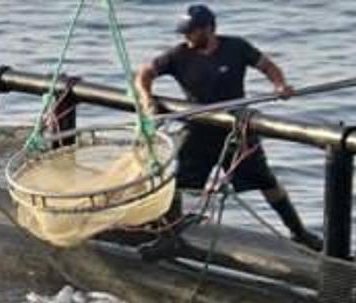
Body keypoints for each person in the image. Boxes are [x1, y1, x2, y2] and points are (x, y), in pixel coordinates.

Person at [134, 4, 322, 259]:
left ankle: (299, 232)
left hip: (235, 129)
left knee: (266, 182)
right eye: (184, 32)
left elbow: (268, 66)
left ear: (208, 29)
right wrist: (147, 98)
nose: (186, 37)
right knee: (177, 185)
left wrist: (279, 85)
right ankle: (169, 238)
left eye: (191, 32)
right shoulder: (179, 55)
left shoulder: (236, 47)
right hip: (200, 128)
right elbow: (144, 73)